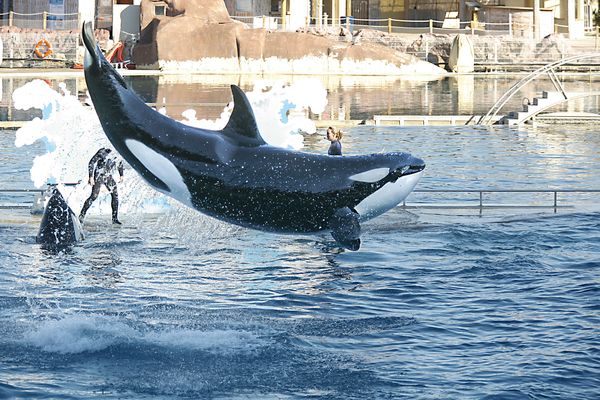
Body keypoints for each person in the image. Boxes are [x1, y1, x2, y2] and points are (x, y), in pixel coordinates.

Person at [79, 147, 124, 224]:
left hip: (108, 176)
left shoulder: (116, 152)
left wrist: (121, 175)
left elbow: (119, 162)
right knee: (94, 196)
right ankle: (81, 215)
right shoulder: (102, 151)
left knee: (115, 195)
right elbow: (91, 162)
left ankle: (115, 219)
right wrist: (91, 176)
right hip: (99, 175)